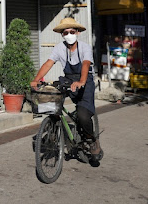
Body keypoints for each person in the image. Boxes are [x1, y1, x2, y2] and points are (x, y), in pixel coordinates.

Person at [30, 17, 102, 160]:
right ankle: (53, 129)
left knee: (83, 115)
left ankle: (92, 140)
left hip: (85, 81)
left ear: (77, 33)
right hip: (68, 80)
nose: (69, 34)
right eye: (65, 32)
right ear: (62, 35)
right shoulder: (59, 48)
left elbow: (86, 64)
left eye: (72, 31)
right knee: (52, 98)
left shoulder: (84, 47)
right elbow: (48, 63)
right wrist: (36, 79)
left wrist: (81, 81)